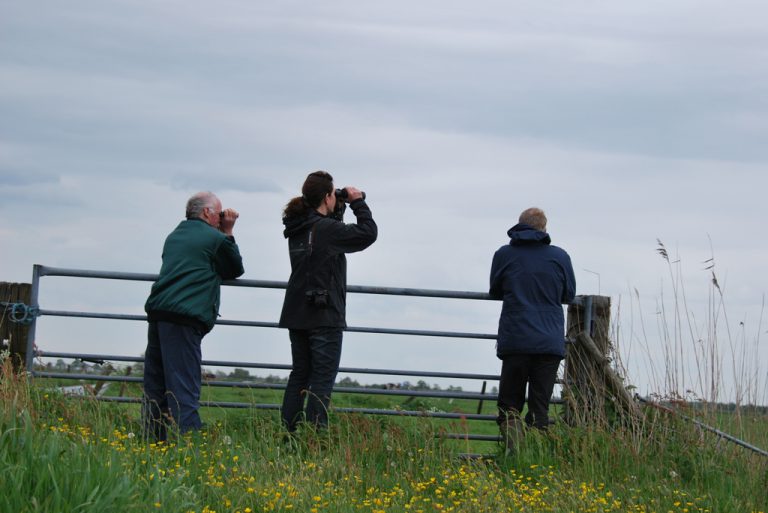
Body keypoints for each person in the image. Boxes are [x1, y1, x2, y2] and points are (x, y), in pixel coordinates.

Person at [279, 170, 377, 432]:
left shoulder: (299, 226)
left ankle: (288, 437)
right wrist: (357, 202)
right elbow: (367, 233)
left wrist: (338, 207)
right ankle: (314, 439)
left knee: (299, 376)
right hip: (323, 315)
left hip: (297, 312)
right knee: (321, 380)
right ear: (326, 196)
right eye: (334, 194)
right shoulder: (325, 229)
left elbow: (329, 231)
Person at [142, 191, 244, 441]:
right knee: (183, 385)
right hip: (184, 316)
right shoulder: (213, 237)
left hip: (159, 312)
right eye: (219, 214)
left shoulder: (174, 235)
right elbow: (234, 268)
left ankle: (152, 441)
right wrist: (228, 232)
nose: (222, 218)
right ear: (207, 213)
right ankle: (188, 445)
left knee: (156, 384)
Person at [489, 207, 575, 451]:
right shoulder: (560, 257)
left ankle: (514, 456)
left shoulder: (504, 254)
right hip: (549, 341)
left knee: (509, 405)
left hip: (516, 338)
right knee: (540, 407)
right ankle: (535, 458)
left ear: (519, 225)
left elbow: (495, 289)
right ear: (544, 228)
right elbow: (569, 294)